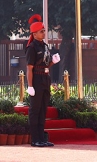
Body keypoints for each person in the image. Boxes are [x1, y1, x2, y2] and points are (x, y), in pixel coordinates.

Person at [25, 14, 60, 147]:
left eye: (44, 31)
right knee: (35, 110)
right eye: (41, 31)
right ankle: (35, 139)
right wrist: (30, 85)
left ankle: (42, 138)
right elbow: (29, 68)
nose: (44, 33)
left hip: (45, 78)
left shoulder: (45, 46)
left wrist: (53, 62)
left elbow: (46, 65)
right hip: (36, 79)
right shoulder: (32, 48)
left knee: (43, 110)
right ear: (34, 34)